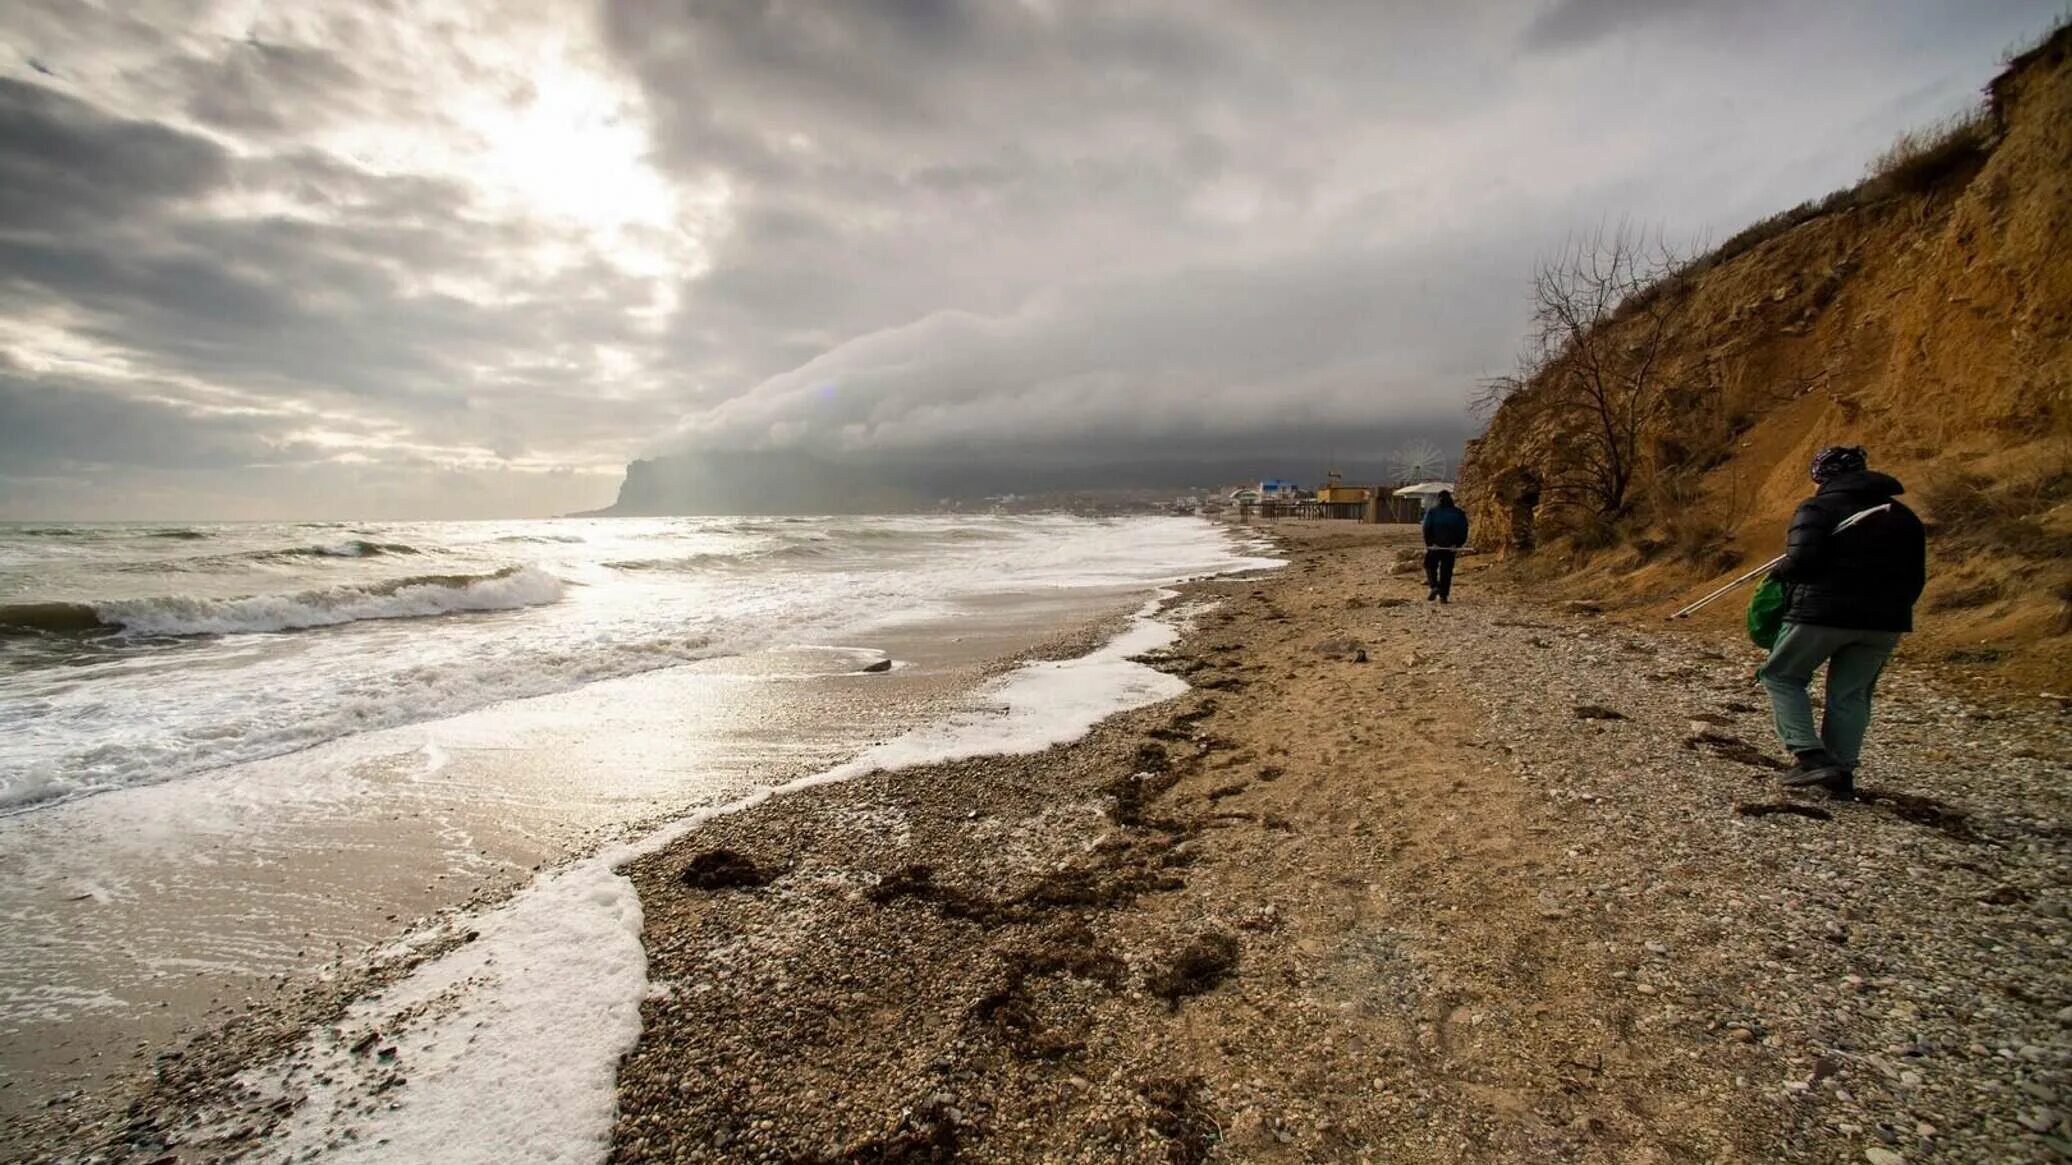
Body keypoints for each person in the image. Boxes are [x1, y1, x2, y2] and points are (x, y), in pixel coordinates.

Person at [1757, 446, 1926, 799]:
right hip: (1885, 621)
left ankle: (1810, 756)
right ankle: (1842, 773)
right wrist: (1894, 610)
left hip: (1822, 614)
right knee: (1850, 694)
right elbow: (1916, 576)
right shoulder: (1905, 516)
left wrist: (1779, 572)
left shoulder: (1817, 508)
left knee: (1781, 675)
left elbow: (1803, 560)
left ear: (1821, 477)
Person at [1421, 490, 1469, 603]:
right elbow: (1463, 530)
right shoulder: (1458, 513)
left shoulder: (1432, 512)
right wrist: (1457, 544)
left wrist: (1430, 543)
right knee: (1446, 570)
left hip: (1435, 546)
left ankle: (1434, 586)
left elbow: (1426, 528)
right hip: (1450, 547)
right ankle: (1444, 596)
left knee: (1429, 565)